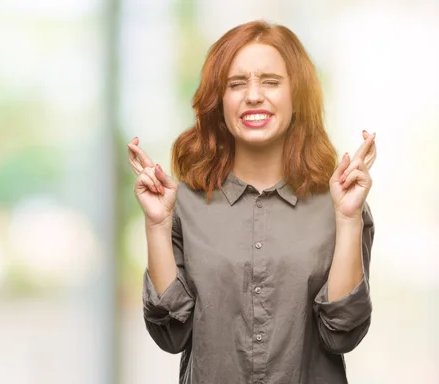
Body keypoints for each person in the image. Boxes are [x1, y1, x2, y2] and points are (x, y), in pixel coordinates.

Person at [126, 20, 377, 384]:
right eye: (236, 84)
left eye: (271, 82)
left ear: (297, 95)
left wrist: (350, 219)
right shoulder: (183, 205)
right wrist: (157, 225)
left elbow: (343, 333)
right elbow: (170, 334)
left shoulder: (339, 205)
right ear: (219, 100)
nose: (253, 95)